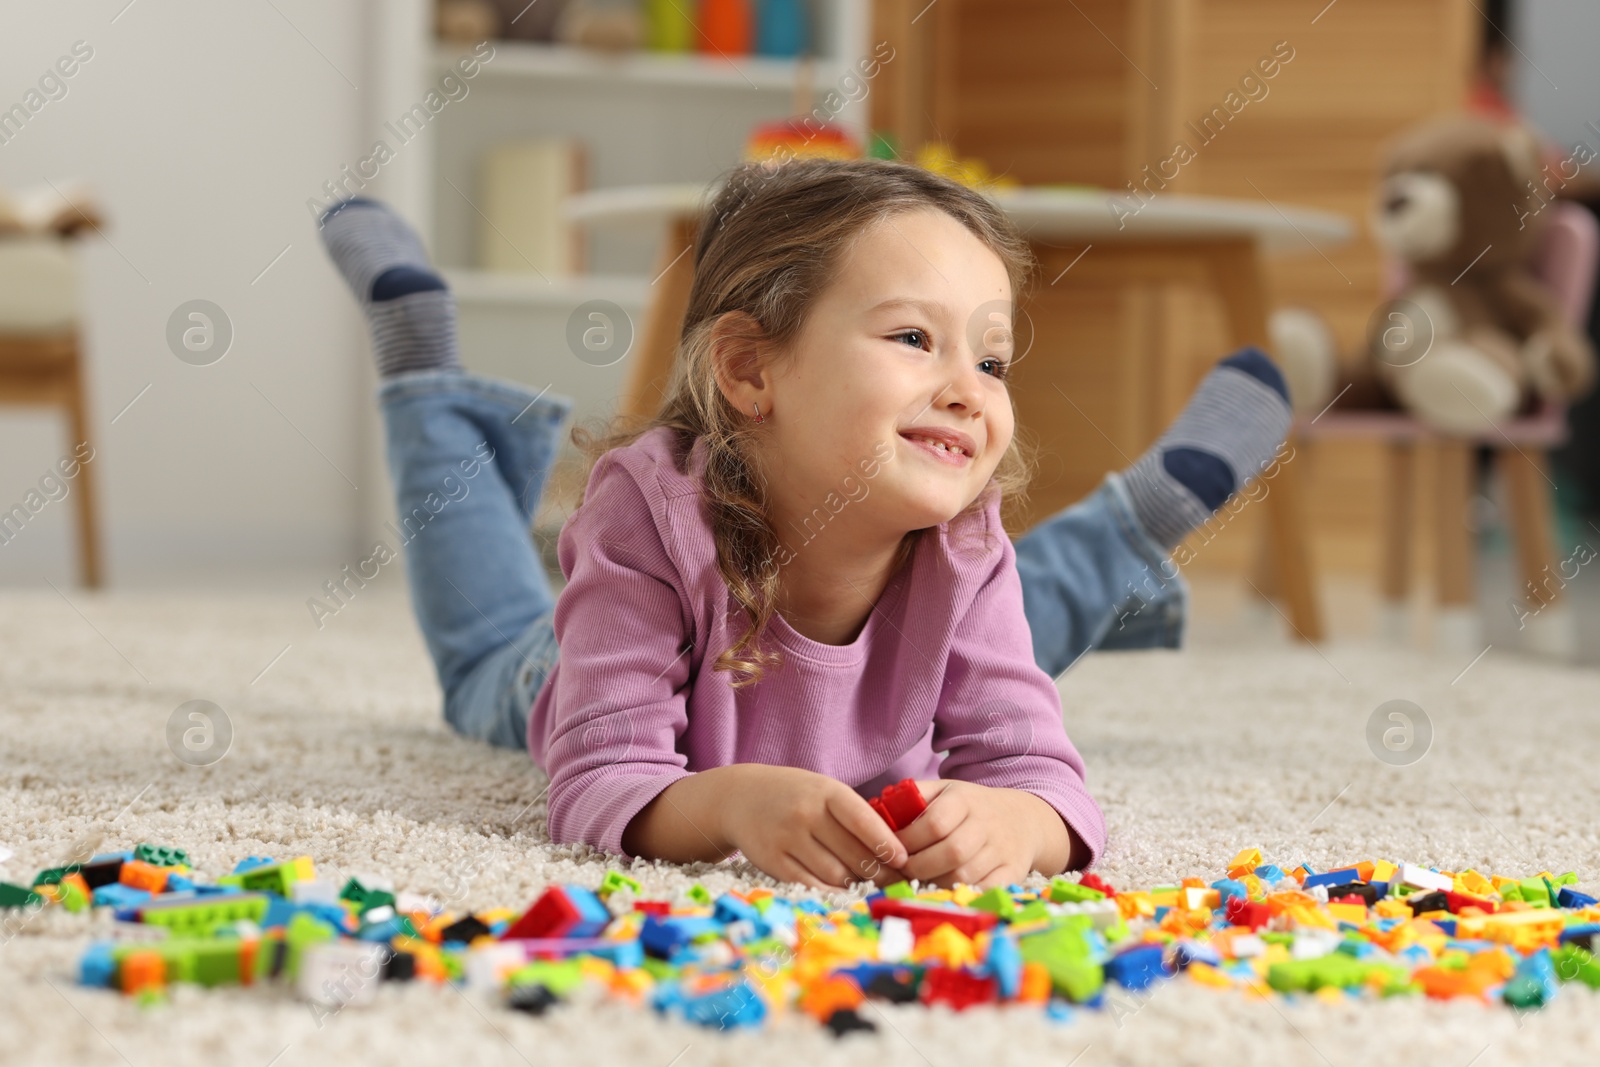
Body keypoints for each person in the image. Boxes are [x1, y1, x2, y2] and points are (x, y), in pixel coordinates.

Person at [319, 158, 1291, 890]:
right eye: (914, 338)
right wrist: (732, 800)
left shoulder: (963, 540)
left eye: (990, 361)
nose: (968, 391)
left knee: (1022, 611)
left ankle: (1157, 504)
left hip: (897, 622)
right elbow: (598, 778)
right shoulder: (650, 506)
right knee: (481, 649)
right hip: (579, 666)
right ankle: (422, 369)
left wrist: (1016, 821)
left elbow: (1036, 769)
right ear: (750, 368)